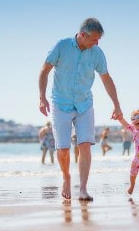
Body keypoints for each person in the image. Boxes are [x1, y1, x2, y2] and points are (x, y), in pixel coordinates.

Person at [38, 18, 123, 200]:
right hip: (60, 103)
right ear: (83, 35)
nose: (97, 43)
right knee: (62, 149)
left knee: (85, 145)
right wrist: (41, 97)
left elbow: (106, 79)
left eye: (98, 40)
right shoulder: (61, 46)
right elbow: (44, 70)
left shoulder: (97, 53)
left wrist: (116, 105)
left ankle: (83, 189)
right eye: (94, 39)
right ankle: (66, 177)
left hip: (85, 104)